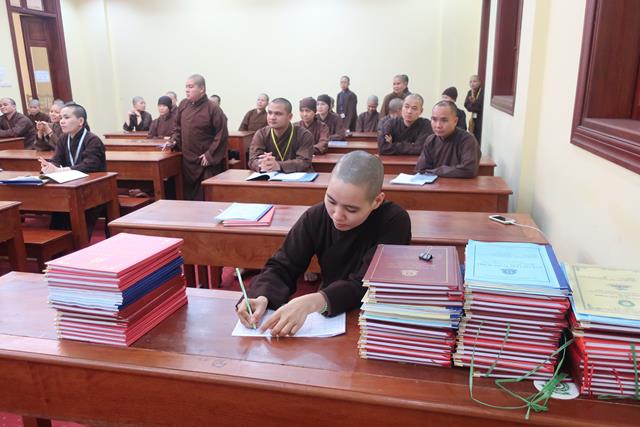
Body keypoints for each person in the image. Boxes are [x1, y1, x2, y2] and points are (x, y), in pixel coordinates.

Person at [236, 151, 411, 336]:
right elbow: (283, 264)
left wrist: (316, 301)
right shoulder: (317, 216)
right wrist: (262, 295)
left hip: (375, 319)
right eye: (331, 201)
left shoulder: (394, 221)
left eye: (351, 209)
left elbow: (370, 284)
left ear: (377, 201)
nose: (337, 215)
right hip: (329, 314)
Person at [38, 103, 107, 236]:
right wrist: (49, 167)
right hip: (70, 187)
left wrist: (61, 170)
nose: (61, 121)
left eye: (66, 117)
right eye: (61, 118)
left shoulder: (92, 140)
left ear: (80, 121)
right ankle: (59, 243)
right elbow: (57, 160)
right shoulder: (64, 139)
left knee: (78, 221)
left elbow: (89, 166)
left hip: (92, 188)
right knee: (59, 211)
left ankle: (78, 243)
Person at [166, 74, 229, 200]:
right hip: (187, 161)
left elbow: (222, 134)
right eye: (186, 87)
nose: (187, 90)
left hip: (204, 162)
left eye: (190, 87)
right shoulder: (183, 105)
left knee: (206, 197)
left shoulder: (213, 108)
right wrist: (173, 141)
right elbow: (177, 128)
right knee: (187, 197)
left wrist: (210, 154)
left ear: (201, 89)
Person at [416, 100, 481, 178]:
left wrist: (436, 171)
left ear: (455, 121)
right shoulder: (431, 140)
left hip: (460, 184)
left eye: (444, 120)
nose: (438, 125)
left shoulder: (467, 140)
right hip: (435, 184)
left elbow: (469, 170)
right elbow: (421, 169)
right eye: (434, 119)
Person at [248, 98, 314, 172]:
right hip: (269, 176)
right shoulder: (261, 134)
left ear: (289, 117)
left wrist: (279, 165)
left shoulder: (304, 135)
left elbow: (304, 162)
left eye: (278, 114)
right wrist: (262, 164)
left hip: (298, 177)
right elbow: (253, 160)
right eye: (270, 113)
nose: (272, 117)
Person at [464, 75, 484, 143]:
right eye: (470, 82)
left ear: (479, 82)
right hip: (473, 118)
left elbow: (480, 107)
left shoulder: (482, 92)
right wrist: (472, 104)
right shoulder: (470, 92)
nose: (472, 84)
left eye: (474, 81)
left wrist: (474, 102)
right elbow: (466, 104)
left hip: (481, 118)